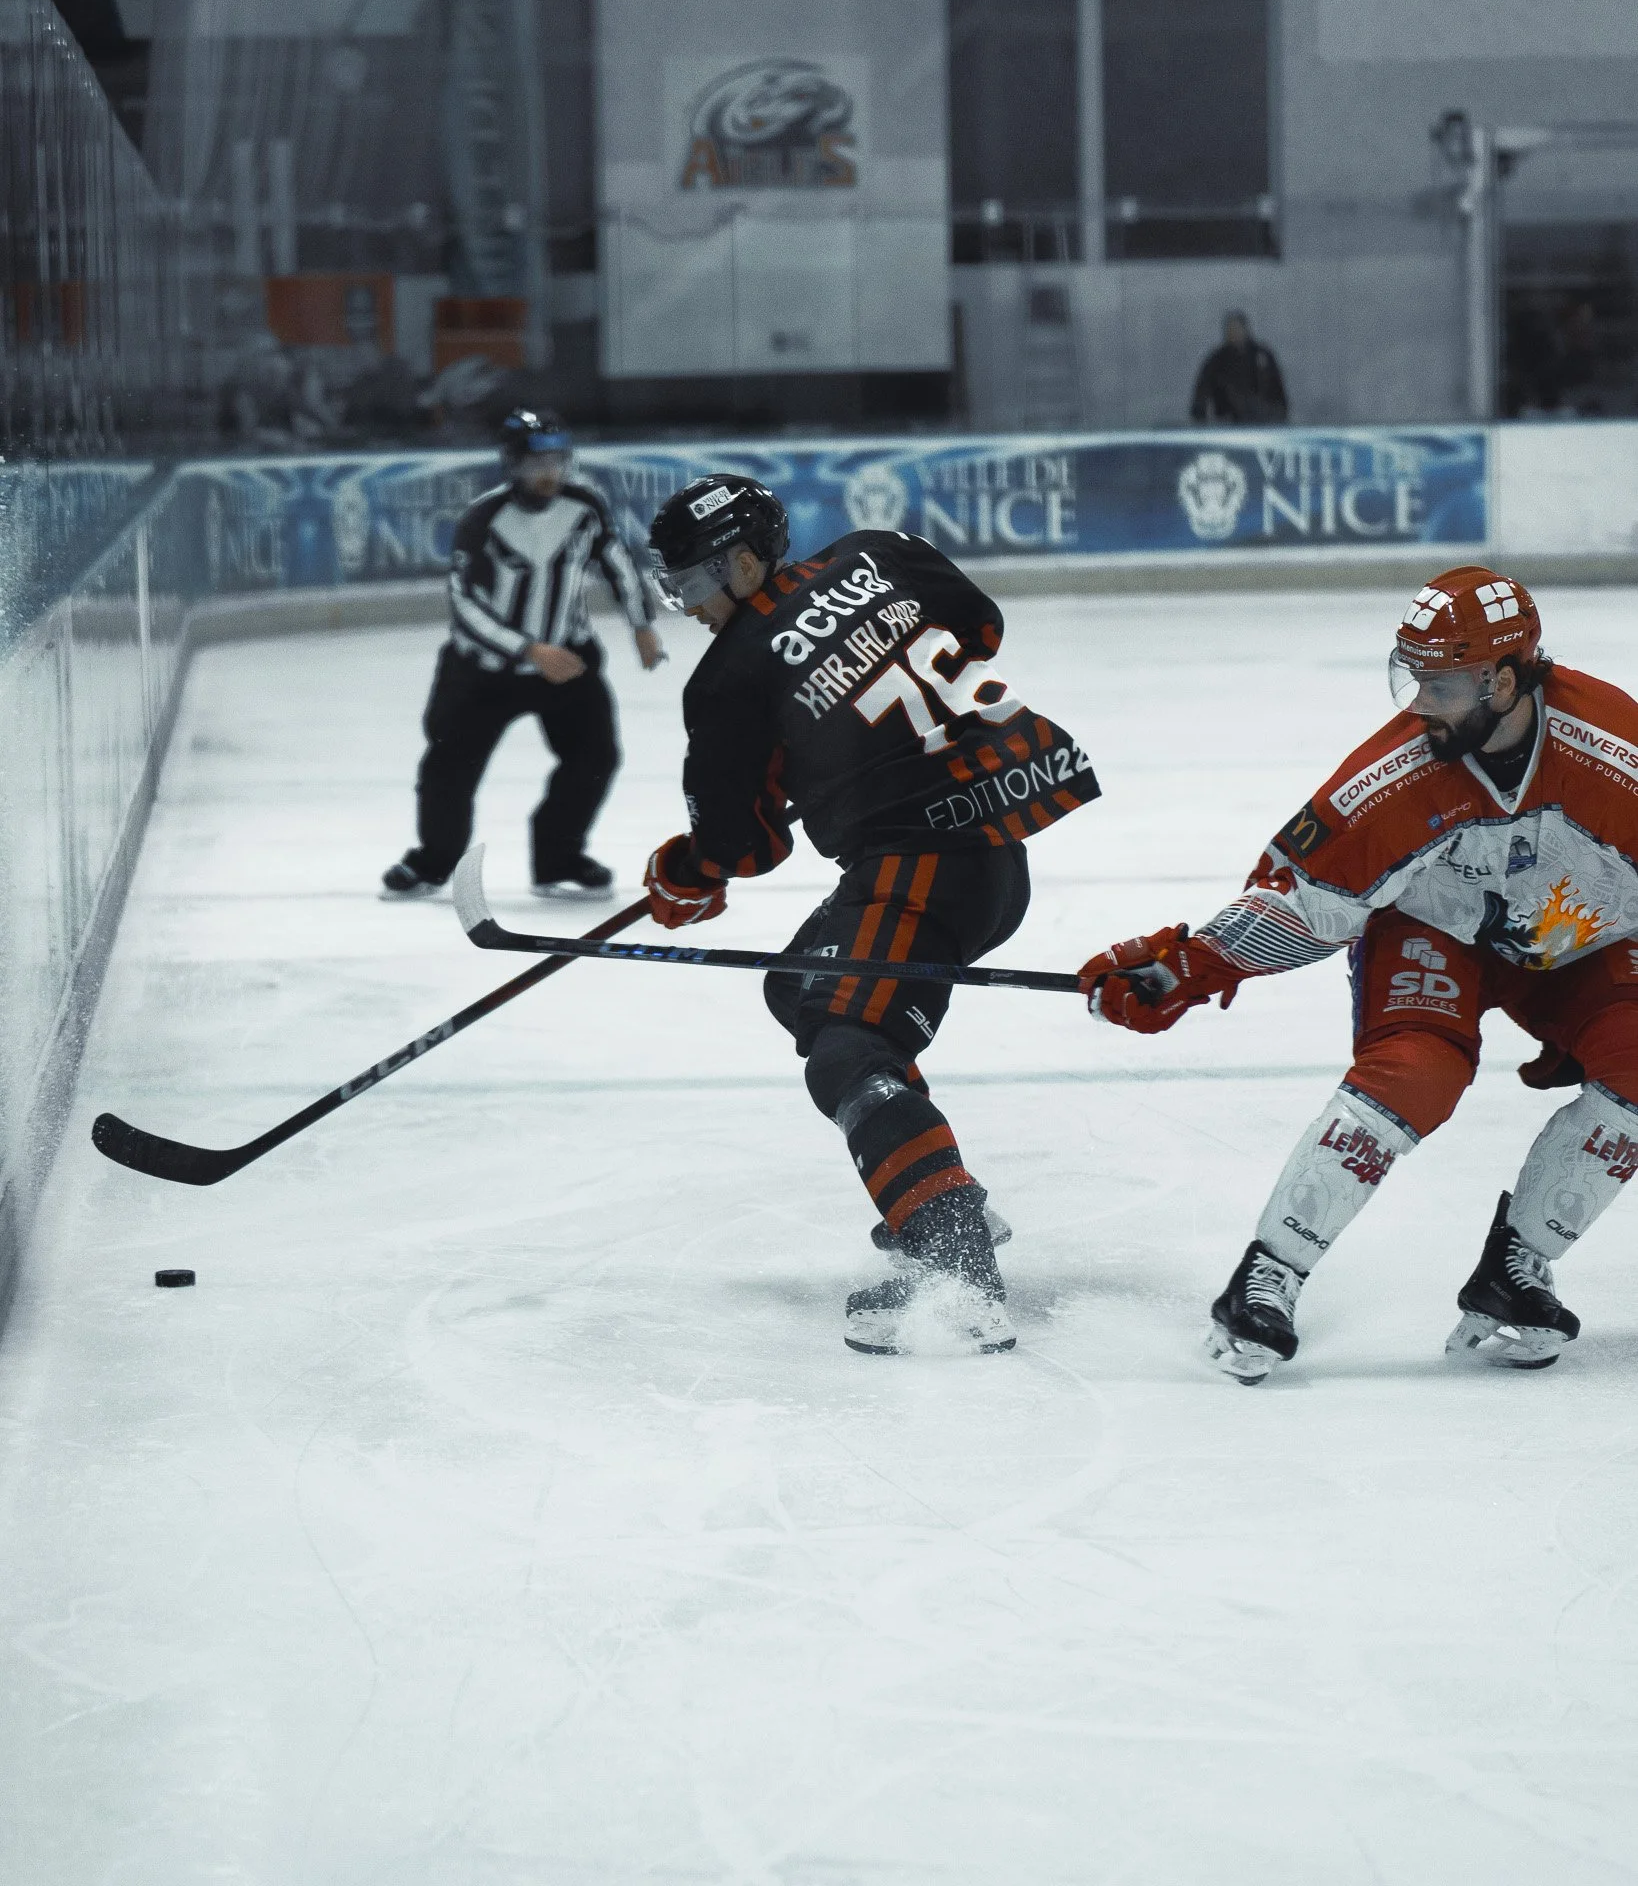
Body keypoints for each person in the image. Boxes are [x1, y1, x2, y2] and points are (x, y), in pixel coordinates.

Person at [1077, 567, 1638, 1384]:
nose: (1418, 705)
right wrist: (1187, 967)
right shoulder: (1395, 777)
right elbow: (1303, 902)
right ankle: (1266, 1278)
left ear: (1506, 679)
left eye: (1441, 685)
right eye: (1413, 679)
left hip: (1577, 936)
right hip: (1432, 928)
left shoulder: (1618, 755)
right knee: (1414, 1075)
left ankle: (1515, 1271)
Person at [643, 475, 1101, 1355]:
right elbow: (980, 624)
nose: (690, 606)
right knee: (798, 986)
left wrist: (685, 872)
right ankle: (926, 1176)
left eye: (695, 584)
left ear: (742, 561)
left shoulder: (730, 676)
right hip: (990, 844)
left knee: (848, 1044)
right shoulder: (879, 553)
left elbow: (742, 847)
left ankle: (956, 1250)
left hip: (921, 872)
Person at [382, 410, 665, 899]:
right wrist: (529, 650)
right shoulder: (483, 519)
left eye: (556, 461)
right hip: (480, 674)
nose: (548, 474)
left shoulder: (585, 506)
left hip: (568, 662)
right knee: (449, 768)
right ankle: (432, 862)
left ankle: (559, 856)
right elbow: (464, 604)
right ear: (510, 464)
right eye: (536, 463)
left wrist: (642, 625)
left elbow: (617, 563)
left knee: (595, 756)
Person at [1189, 310, 1288, 426]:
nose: (1234, 333)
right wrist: (1200, 418)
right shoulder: (1217, 361)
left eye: (1237, 329)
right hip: (1227, 424)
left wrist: (1278, 416)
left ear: (1245, 329)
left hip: (1262, 423)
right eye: (1231, 330)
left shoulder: (1262, 357)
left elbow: (1278, 392)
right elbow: (1201, 394)